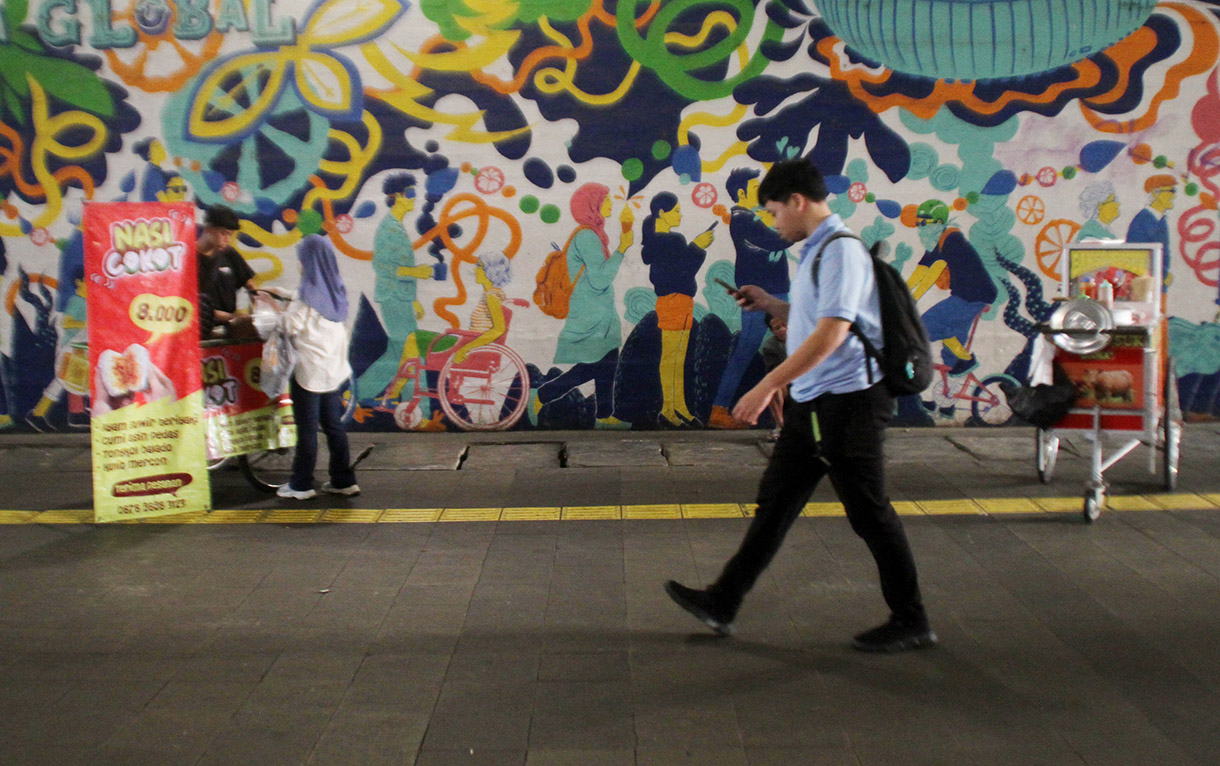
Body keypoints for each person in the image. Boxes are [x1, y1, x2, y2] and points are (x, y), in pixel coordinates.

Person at [664, 158, 936, 653]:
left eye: (773, 212)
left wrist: (766, 385)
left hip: (851, 400)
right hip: (816, 401)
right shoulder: (815, 251)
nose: (773, 223)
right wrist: (771, 304)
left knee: (869, 513)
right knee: (776, 504)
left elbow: (832, 333)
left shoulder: (841, 251)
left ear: (797, 201)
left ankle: (911, 618)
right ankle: (723, 602)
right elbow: (818, 316)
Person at [533, 182, 635, 429]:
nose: (610, 204)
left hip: (600, 310)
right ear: (594, 205)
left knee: (608, 362)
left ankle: (604, 414)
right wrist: (622, 248)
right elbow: (600, 279)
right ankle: (544, 395)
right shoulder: (587, 236)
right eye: (606, 200)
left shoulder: (594, 234)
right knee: (594, 365)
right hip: (591, 311)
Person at [276, 211, 359, 500]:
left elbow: (290, 324)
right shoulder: (334, 290)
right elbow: (312, 309)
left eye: (302, 257)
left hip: (309, 372)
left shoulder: (306, 293)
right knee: (334, 426)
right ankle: (343, 479)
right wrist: (286, 295)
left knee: (307, 429)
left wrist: (277, 311)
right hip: (333, 371)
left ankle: (302, 484)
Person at [710, 168, 793, 429]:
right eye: (756, 187)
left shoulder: (755, 216)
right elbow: (776, 241)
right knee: (747, 350)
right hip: (761, 294)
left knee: (790, 352)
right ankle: (719, 410)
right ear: (743, 192)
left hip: (773, 290)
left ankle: (795, 413)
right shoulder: (742, 219)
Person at [356, 173, 436, 403]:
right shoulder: (389, 229)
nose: (414, 198)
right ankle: (418, 406)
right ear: (398, 196)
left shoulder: (396, 227)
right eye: (410, 193)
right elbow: (383, 267)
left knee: (401, 353)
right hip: (393, 297)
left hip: (401, 297)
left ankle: (359, 395)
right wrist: (417, 272)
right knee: (407, 353)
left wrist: (414, 299)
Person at [640, 192, 712, 427]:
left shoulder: (656, 241)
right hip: (674, 301)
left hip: (677, 302)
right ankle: (669, 408)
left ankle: (677, 406)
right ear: (662, 212)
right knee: (672, 357)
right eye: (677, 210)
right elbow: (684, 271)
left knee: (676, 358)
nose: (681, 214)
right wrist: (698, 247)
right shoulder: (671, 241)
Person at [906, 199, 997, 385]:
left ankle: (965, 358)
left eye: (924, 223)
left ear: (939, 223)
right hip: (966, 296)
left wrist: (911, 299)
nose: (920, 227)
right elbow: (920, 271)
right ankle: (949, 395)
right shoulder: (937, 241)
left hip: (972, 297)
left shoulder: (951, 240)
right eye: (918, 222)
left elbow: (932, 273)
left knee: (925, 327)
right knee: (949, 354)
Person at [197, 205, 257, 339]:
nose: (228, 239)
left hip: (230, 330)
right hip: (202, 331)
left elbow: (251, 286)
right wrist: (234, 317)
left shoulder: (230, 254)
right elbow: (194, 305)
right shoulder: (189, 258)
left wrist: (260, 308)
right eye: (224, 233)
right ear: (208, 229)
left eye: (230, 235)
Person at [1125, 174, 1176, 292]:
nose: (1173, 196)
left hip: (1158, 286)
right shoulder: (1143, 220)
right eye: (1171, 191)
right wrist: (1161, 276)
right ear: (1155, 194)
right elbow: (1137, 256)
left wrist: (1164, 276)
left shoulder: (1161, 220)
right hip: (1144, 287)